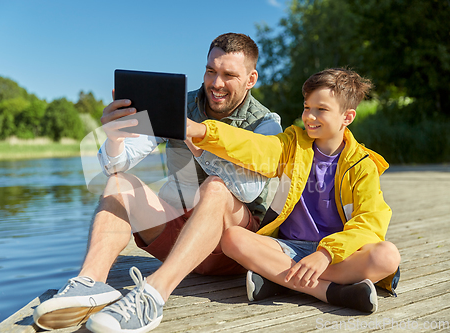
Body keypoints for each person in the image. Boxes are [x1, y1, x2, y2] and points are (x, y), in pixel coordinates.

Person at [33, 33, 282, 332]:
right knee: (118, 183)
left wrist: (197, 137)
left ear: (251, 78)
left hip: (231, 248)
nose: (216, 83)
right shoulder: (178, 105)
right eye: (211, 71)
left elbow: (248, 189)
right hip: (177, 234)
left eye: (229, 75)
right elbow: (115, 165)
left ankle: (152, 295)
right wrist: (114, 136)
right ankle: (90, 283)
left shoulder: (265, 124)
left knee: (216, 187)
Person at [186, 68, 401, 313]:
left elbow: (369, 224)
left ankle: (279, 278)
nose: (309, 116)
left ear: (347, 117)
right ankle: (329, 291)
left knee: (387, 256)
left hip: (338, 254)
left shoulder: (361, 166)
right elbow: (255, 147)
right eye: (307, 107)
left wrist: (326, 254)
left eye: (321, 109)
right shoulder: (292, 144)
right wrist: (202, 130)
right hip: (288, 247)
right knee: (233, 238)